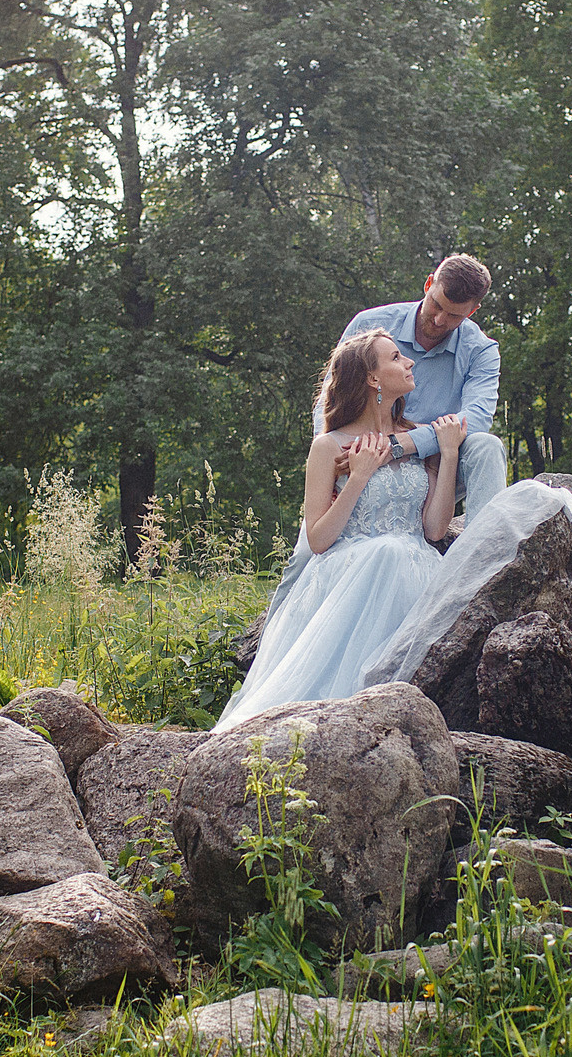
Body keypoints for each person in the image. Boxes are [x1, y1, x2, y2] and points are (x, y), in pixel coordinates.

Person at [212, 330, 466, 731]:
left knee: (400, 554)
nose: (410, 362)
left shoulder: (417, 437)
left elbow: (434, 529)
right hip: (352, 570)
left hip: (416, 564)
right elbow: (318, 538)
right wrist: (359, 476)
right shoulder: (329, 446)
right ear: (372, 379)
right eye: (397, 358)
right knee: (387, 554)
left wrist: (448, 452)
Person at [256, 253, 507, 630]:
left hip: (432, 464)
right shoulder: (371, 324)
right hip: (354, 460)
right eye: (436, 305)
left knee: (487, 446)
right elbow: (331, 399)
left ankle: (485, 567)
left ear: (473, 311)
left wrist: (400, 446)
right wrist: (334, 468)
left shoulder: (481, 351)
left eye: (454, 315)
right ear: (428, 285)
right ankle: (265, 652)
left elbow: (474, 421)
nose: (439, 320)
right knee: (306, 557)